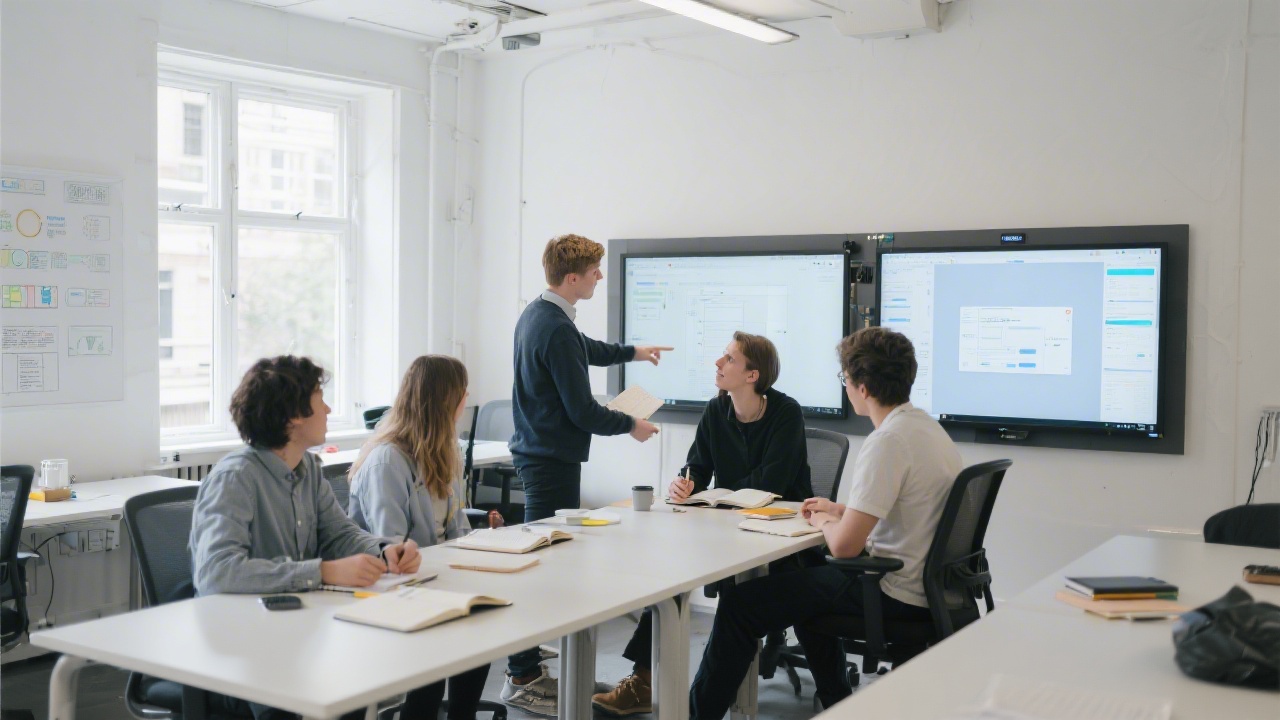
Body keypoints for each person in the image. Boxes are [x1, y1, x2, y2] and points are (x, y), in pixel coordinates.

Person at [687, 327, 963, 718]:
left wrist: (824, 520)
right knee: (802, 584)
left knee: (739, 606)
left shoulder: (887, 442)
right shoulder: (924, 428)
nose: (846, 387)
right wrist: (841, 510)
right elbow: (901, 507)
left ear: (862, 387)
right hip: (923, 585)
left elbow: (845, 548)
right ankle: (837, 702)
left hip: (890, 590)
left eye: (845, 379)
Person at [593, 331, 813, 717]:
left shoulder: (786, 412)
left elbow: (772, 484)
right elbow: (698, 463)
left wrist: (719, 490)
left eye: (729, 359)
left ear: (752, 375)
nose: (717, 363)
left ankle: (707, 699)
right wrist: (688, 481)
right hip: (726, 529)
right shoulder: (716, 410)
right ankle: (643, 680)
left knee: (736, 602)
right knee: (672, 577)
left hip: (778, 536)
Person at [190, 355, 422, 720]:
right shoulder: (235, 477)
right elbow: (216, 572)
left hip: (297, 631)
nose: (329, 408)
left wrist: (384, 550)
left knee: (361, 680)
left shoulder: (308, 469)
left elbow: (339, 534)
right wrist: (323, 572)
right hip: (245, 647)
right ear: (294, 415)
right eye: (320, 398)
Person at [502, 233, 672, 716]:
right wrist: (631, 425)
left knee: (545, 566)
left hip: (541, 455)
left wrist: (632, 351)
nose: (601, 275)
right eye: (596, 270)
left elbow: (584, 350)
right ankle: (522, 676)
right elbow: (581, 411)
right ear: (572, 277)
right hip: (549, 460)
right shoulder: (554, 327)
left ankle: (529, 668)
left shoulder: (543, 313)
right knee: (540, 571)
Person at [347, 355, 489, 720]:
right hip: (389, 585)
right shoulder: (387, 462)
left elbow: (457, 528)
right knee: (444, 642)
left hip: (435, 578)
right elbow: (387, 547)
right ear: (444, 400)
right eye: (461, 391)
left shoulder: (445, 450)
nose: (467, 397)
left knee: (483, 625)